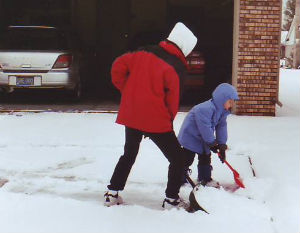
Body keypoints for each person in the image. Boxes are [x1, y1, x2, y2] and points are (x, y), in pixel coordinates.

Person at [104, 22, 197, 209]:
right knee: (177, 159)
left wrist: (128, 92)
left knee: (129, 154)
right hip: (156, 120)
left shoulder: (142, 52)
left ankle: (112, 193)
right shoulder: (176, 67)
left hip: (131, 114)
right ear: (185, 46)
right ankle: (171, 199)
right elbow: (173, 101)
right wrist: (166, 121)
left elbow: (117, 68)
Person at [177, 83, 239, 187]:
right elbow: (204, 127)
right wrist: (212, 142)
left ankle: (205, 178)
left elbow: (221, 127)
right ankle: (179, 177)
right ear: (221, 99)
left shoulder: (222, 112)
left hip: (203, 138)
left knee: (205, 156)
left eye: (232, 102)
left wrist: (222, 144)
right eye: (230, 102)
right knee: (187, 158)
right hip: (190, 136)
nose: (231, 105)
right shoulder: (204, 109)